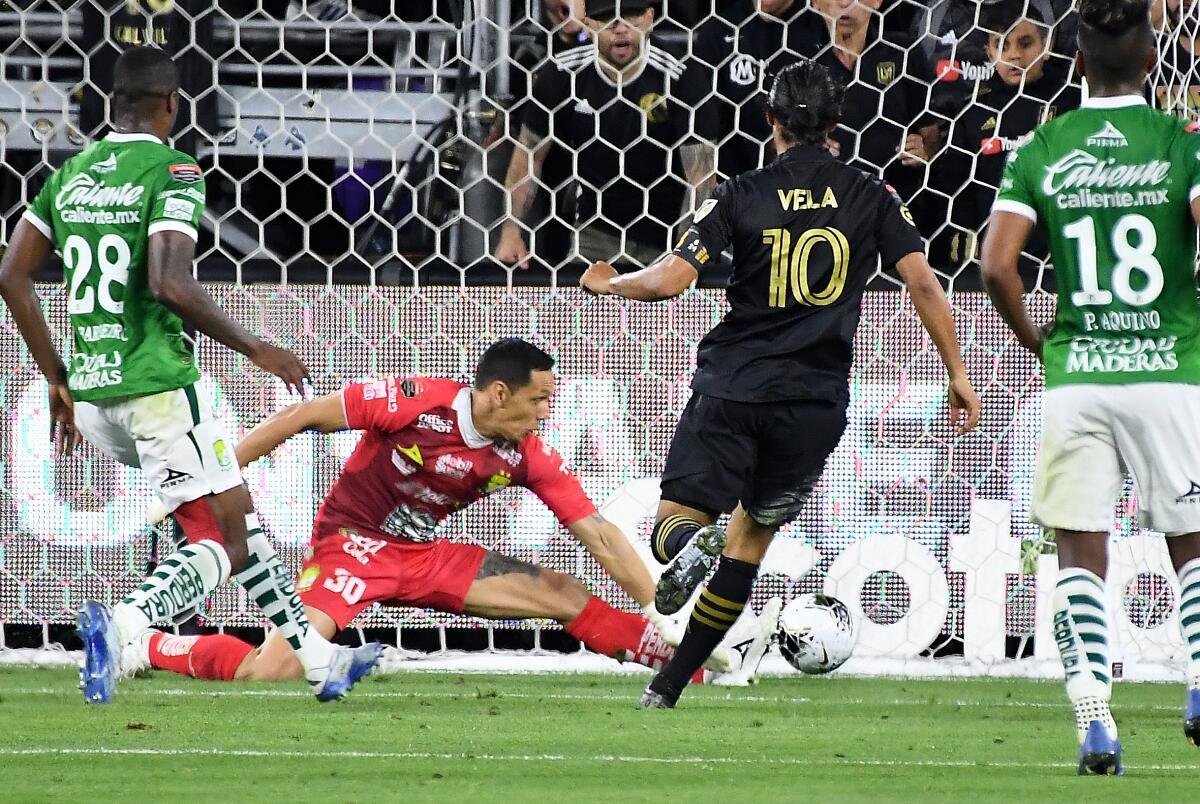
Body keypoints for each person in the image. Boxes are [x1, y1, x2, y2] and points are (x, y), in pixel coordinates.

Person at [581, 59, 981, 708]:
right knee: (747, 547)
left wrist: (609, 282)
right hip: (815, 404)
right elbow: (924, 283)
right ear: (837, 122)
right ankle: (669, 687)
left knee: (669, 528)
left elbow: (667, 282)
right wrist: (958, 374)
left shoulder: (740, 192)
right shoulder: (871, 194)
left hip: (735, 387)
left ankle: (689, 546)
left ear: (770, 120)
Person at [0, 46, 381, 704]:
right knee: (227, 541)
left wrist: (58, 380)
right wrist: (256, 347)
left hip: (93, 398)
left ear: (110, 103)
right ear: (172, 106)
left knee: (236, 509)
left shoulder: (70, 176)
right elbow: (169, 283)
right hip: (155, 390)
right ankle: (125, 625)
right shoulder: (173, 167)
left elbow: (11, 275)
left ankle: (318, 660)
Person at [124, 339, 778, 687]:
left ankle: (687, 660)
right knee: (276, 669)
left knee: (561, 594)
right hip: (351, 547)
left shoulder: (526, 453)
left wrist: (660, 608)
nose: (548, 414)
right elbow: (301, 416)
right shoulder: (413, 403)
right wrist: (208, 480)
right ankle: (147, 644)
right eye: (541, 400)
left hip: (425, 559)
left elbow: (600, 535)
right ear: (500, 393)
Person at [981, 0, 1200, 775]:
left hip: (1079, 374)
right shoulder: (1181, 143)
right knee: (1192, 540)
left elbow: (996, 266)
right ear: (1150, 63)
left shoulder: (1042, 145)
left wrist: (1041, 344)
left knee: (1081, 551)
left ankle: (1096, 724)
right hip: (1171, 369)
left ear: (1074, 64)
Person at [493, 0, 717, 270]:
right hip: (595, 233)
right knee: (583, 310)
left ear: (649, 18)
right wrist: (510, 231)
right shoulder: (563, 71)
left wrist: (686, 252)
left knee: (670, 310)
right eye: (608, 18)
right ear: (588, 24)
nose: (620, 28)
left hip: (669, 236)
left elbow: (701, 177)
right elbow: (528, 157)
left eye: (630, 16)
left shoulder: (680, 74)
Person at [939, 3, 1080, 271]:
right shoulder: (974, 110)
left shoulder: (1072, 101)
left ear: (1047, 45)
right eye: (1002, 46)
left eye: (1025, 44)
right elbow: (956, 186)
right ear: (989, 53)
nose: (1013, 55)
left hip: (1061, 256)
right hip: (996, 256)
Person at [808, 0, 940, 239]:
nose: (844, 3)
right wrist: (807, 148)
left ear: (877, 2)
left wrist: (923, 152)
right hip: (822, 217)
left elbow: (931, 135)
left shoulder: (905, 53)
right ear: (815, 2)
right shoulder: (799, 59)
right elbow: (774, 145)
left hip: (897, 213)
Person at [690, 0, 825, 180]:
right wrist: (706, 193)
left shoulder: (820, 28)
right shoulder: (719, 29)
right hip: (734, 180)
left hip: (804, 176)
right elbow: (701, 119)